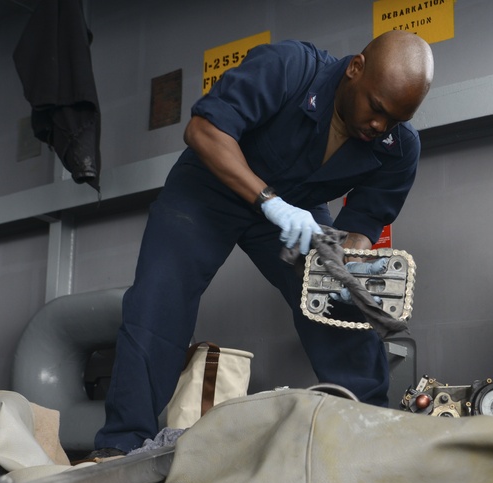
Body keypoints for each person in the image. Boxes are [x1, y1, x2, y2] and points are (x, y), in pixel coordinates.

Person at [93, 31, 434, 455]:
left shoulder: (399, 148)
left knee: (342, 307)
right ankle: (121, 447)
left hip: (296, 214)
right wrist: (269, 201)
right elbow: (202, 130)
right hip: (210, 188)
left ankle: (367, 441)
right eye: (377, 108)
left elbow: (361, 228)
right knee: (160, 296)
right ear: (355, 69)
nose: (380, 125)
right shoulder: (289, 66)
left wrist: (346, 271)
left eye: (394, 120)